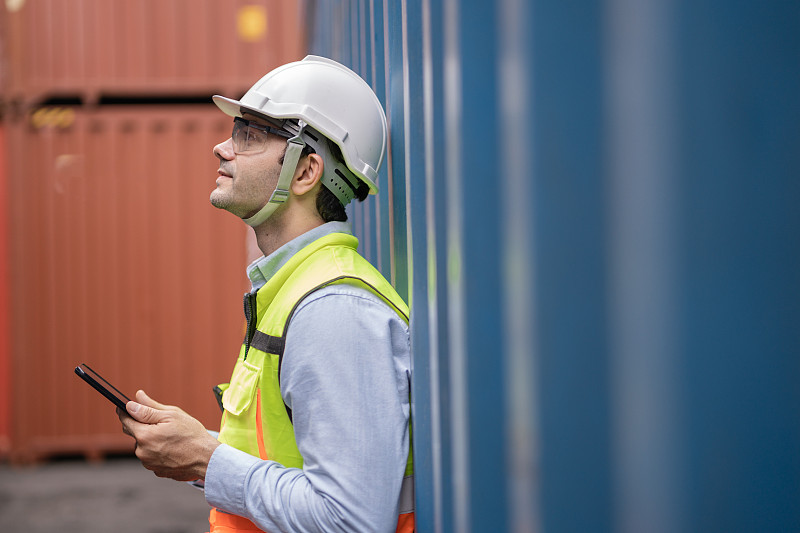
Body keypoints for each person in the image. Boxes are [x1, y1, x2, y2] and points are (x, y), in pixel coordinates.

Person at [118, 56, 415, 533]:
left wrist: (206, 460)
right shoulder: (294, 289)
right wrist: (193, 445)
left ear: (305, 172)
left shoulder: (335, 312)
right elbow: (286, 461)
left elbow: (351, 522)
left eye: (249, 135)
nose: (222, 147)